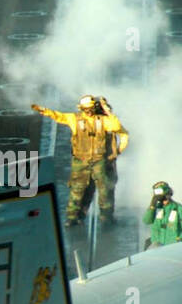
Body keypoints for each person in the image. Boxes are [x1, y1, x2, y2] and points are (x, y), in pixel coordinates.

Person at [31, 94, 129, 227]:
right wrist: (43, 110)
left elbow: (117, 127)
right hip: (80, 161)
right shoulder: (74, 119)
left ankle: (106, 218)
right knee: (77, 190)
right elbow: (58, 116)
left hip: (99, 161)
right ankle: (72, 217)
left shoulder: (104, 121)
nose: (87, 111)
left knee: (105, 190)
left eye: (90, 108)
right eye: (85, 109)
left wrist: (107, 111)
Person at [142, 181, 182, 248]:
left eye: (165, 195)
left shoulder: (179, 209)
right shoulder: (155, 209)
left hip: (174, 248)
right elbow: (146, 220)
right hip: (157, 248)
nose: (164, 199)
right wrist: (152, 206)